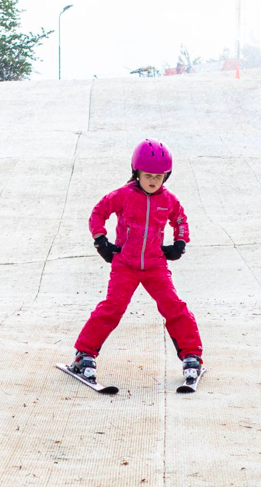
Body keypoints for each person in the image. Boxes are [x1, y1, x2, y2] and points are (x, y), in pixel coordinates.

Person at [72, 138, 204, 382]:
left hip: (155, 265)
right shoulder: (123, 195)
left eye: (159, 176)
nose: (153, 181)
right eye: (147, 175)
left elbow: (180, 220)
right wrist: (101, 240)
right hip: (125, 264)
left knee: (174, 306)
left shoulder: (168, 200)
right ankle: (84, 355)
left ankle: (192, 355)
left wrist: (180, 243)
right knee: (112, 308)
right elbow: (99, 212)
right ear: (136, 173)